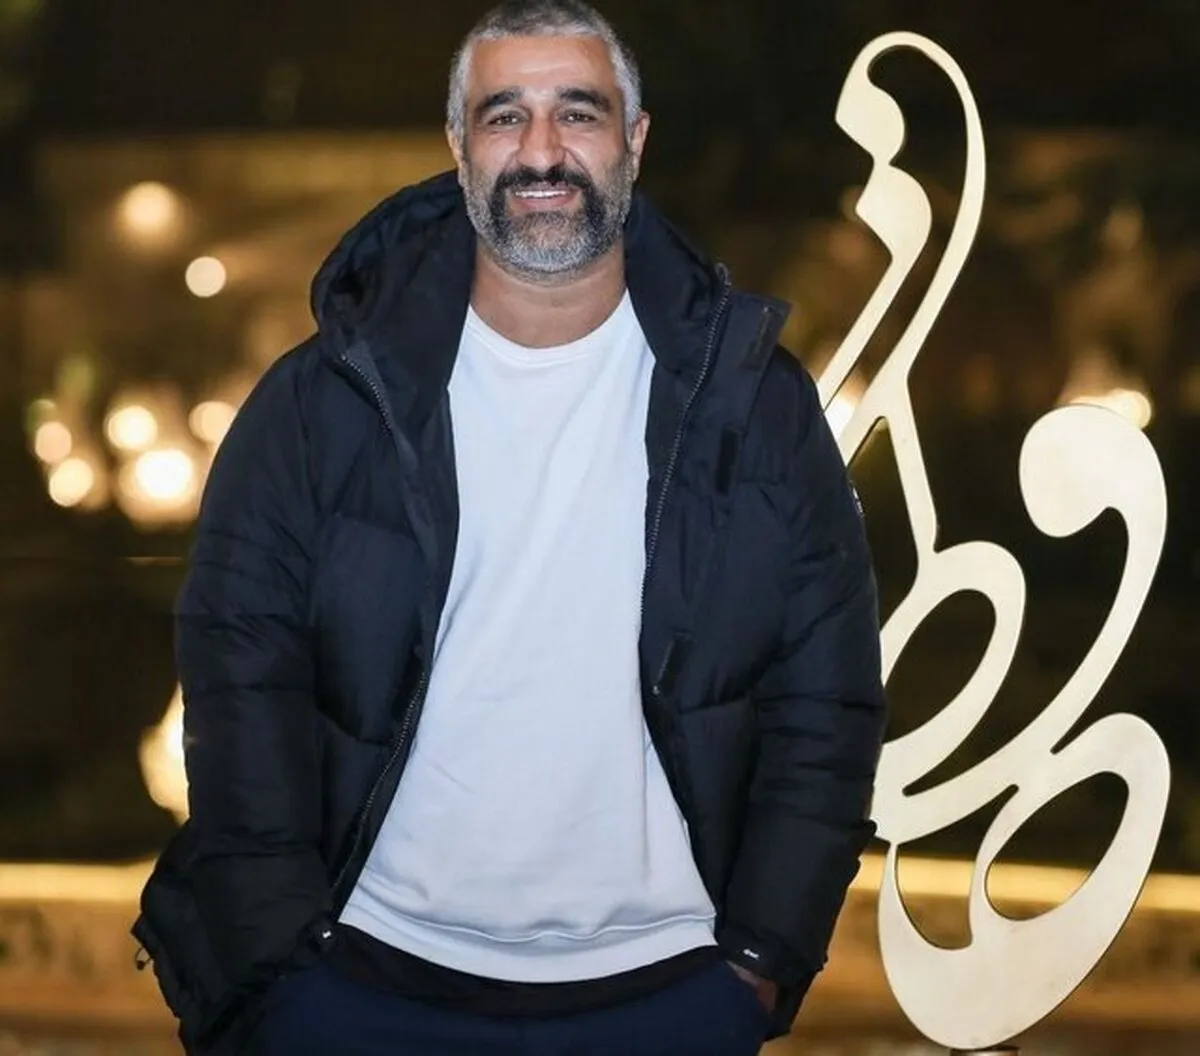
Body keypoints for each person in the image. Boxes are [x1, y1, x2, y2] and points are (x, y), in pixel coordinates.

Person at [132, 1, 887, 1053]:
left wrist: (762, 955)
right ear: (458, 147)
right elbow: (237, 671)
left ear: (633, 141)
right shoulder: (325, 398)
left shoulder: (752, 402)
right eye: (503, 116)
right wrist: (280, 964)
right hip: (361, 988)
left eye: (578, 113)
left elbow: (828, 695)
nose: (540, 151)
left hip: (671, 993)